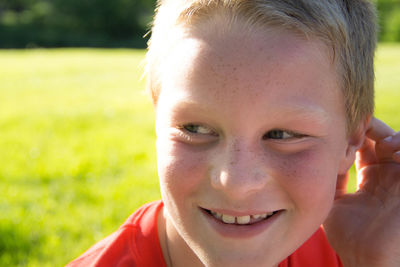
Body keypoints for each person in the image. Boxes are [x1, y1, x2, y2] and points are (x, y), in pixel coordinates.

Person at [67, 0, 400, 266]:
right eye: (194, 129)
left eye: (282, 134)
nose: (235, 183)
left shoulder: (357, 248)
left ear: (352, 140)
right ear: (157, 117)